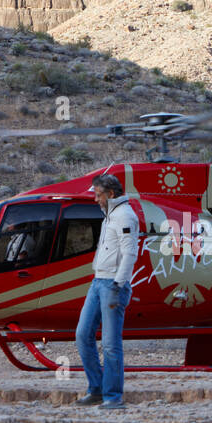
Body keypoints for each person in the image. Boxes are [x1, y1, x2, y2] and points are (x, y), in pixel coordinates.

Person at [74, 173, 139, 410]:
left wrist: (118, 283)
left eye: (98, 195)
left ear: (111, 194)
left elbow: (130, 253)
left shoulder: (124, 216)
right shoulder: (109, 215)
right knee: (83, 334)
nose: (95, 199)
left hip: (113, 284)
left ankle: (113, 396)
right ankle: (97, 389)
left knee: (111, 343)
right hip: (98, 281)